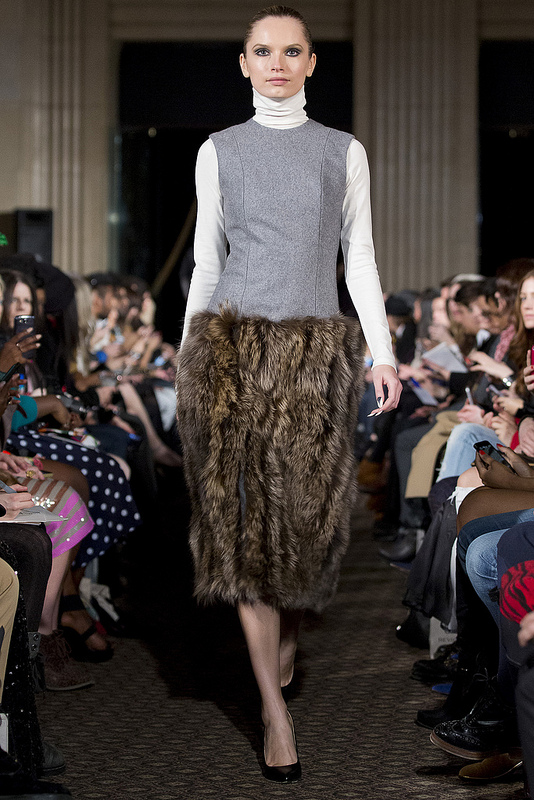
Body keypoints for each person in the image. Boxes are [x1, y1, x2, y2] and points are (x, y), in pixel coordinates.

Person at [175, 5, 401, 783]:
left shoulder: (342, 151)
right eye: (263, 51)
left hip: (314, 360)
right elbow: (207, 261)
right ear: (244, 63)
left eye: (291, 50)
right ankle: (275, 714)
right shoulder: (218, 151)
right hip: (232, 357)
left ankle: (290, 630)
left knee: (303, 528)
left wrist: (382, 353)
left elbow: (359, 258)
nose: (277, 62)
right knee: (245, 536)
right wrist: (188, 351)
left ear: (310, 62)